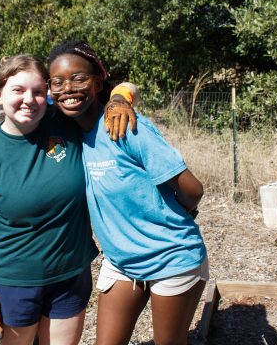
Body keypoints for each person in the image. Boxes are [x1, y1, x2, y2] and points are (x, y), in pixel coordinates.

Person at [0, 55, 136, 345]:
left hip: (70, 276)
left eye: (39, 91)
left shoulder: (64, 123)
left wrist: (121, 97)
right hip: (16, 283)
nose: (29, 99)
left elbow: (119, 84)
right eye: (18, 90)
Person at [48, 40, 209, 345]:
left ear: (97, 85)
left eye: (79, 78)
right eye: (58, 81)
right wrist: (122, 93)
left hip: (171, 256)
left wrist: (178, 215)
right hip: (121, 261)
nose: (67, 88)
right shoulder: (67, 125)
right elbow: (26, 98)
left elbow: (193, 189)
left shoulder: (124, 126)